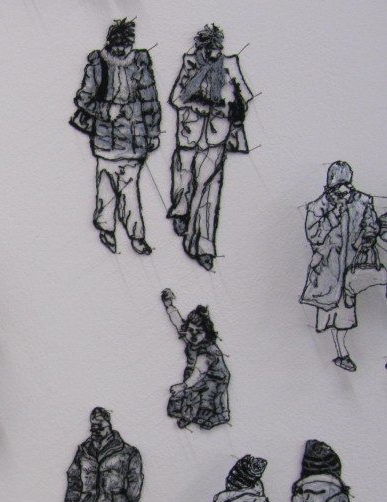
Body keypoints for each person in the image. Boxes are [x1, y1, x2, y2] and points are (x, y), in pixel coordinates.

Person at [70, 18, 161, 255]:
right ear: (110, 43)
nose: (122, 49)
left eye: (126, 44)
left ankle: (136, 235)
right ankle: (106, 228)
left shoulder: (140, 62)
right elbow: (83, 98)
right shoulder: (97, 63)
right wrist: (107, 110)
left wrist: (153, 132)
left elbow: (150, 100)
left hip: (134, 138)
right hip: (105, 137)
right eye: (118, 44)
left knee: (130, 189)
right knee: (106, 186)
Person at [168, 25, 253, 271]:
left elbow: (246, 96)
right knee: (183, 178)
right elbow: (176, 98)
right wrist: (198, 104)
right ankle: (181, 211)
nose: (215, 53)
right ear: (201, 48)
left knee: (209, 191)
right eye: (210, 49)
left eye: (218, 48)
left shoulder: (230, 64)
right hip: (189, 133)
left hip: (217, 135)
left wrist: (232, 106)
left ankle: (203, 245)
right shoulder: (190, 63)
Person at [299, 162, 380, 372]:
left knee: (345, 311)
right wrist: (334, 213)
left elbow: (371, 225)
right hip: (328, 269)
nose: (343, 191)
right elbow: (314, 236)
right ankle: (340, 353)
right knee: (331, 309)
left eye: (346, 185)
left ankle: (342, 352)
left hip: (352, 267)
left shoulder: (363, 201)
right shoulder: (318, 207)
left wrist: (367, 238)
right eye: (337, 187)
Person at [161, 289, 230, 429]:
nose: (193, 335)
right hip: (196, 376)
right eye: (190, 330)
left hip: (215, 377)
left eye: (198, 332)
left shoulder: (210, 351)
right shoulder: (190, 339)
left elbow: (199, 370)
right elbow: (177, 321)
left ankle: (219, 415)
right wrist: (168, 304)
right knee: (185, 398)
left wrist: (183, 386)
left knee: (208, 398)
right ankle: (189, 414)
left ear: (206, 334)